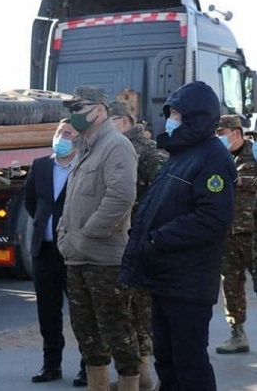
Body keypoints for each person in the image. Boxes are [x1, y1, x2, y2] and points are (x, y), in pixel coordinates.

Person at [120, 81, 237, 390]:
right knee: (167, 360)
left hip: (188, 282)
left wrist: (159, 239)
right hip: (165, 276)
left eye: (177, 113)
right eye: (170, 112)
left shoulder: (212, 158)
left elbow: (213, 217)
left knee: (189, 363)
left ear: (196, 117)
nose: (170, 119)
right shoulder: (181, 153)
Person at [56, 86, 140, 391]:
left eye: (80, 107)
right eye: (72, 107)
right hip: (77, 258)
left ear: (100, 110)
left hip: (105, 261)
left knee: (117, 332)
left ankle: (131, 384)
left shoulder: (115, 146)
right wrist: (64, 237)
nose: (74, 114)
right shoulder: (86, 148)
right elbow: (71, 201)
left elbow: (121, 198)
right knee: (87, 335)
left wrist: (85, 234)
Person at [109, 101, 169, 390]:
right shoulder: (114, 149)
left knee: (142, 312)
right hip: (122, 243)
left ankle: (147, 376)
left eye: (108, 120)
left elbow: (167, 197)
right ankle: (135, 376)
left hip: (142, 243)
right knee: (126, 312)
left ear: (123, 121)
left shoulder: (146, 152)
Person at [23, 119, 87, 385]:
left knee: (82, 312)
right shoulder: (40, 166)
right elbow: (30, 201)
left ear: (79, 139)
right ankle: (51, 365)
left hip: (73, 251)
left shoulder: (85, 167)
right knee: (48, 312)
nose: (62, 137)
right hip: (44, 250)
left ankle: (89, 366)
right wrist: (43, 224)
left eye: (69, 133)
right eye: (59, 132)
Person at [214, 114, 257, 354]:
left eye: (221, 133)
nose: (218, 138)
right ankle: (237, 335)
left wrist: (245, 180)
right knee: (231, 286)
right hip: (227, 235)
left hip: (252, 233)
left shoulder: (255, 152)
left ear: (236, 133)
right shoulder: (218, 158)